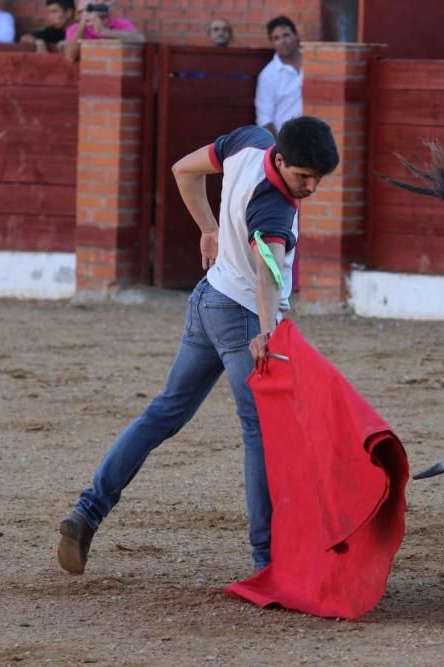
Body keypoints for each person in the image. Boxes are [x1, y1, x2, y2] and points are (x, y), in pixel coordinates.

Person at [56, 116, 340, 576]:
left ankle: (87, 511)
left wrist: (208, 229)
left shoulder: (250, 141)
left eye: (318, 178)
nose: (310, 187)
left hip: (208, 299)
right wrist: (267, 334)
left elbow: (183, 171)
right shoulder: (274, 208)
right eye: (303, 176)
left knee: (163, 412)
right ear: (281, 160)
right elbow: (268, 273)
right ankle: (267, 560)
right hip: (244, 316)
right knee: (260, 433)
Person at [254, 15, 302, 138]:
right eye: (276, 38)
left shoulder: (315, 62)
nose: (282, 41)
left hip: (317, 138)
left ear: (296, 35)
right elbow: (264, 119)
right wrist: (279, 148)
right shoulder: (268, 75)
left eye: (286, 35)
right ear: (272, 43)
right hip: (289, 141)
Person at [61, 0, 144, 63]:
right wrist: (82, 27)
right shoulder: (75, 29)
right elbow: (70, 57)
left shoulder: (120, 24)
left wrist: (105, 32)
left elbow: (140, 39)